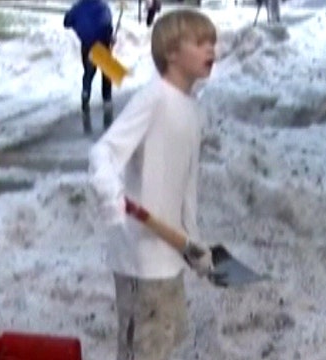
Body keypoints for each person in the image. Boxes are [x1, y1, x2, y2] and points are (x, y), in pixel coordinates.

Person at [88, 9, 216, 360]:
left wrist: (194, 242)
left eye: (213, 42)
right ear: (171, 53)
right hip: (140, 258)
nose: (211, 50)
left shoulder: (191, 109)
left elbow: (186, 186)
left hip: (170, 253)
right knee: (141, 349)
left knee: (163, 345)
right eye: (201, 42)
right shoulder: (153, 98)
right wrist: (111, 201)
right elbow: (104, 154)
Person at [64, 0, 114, 134]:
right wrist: (110, 38)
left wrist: (77, 25)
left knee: (89, 71)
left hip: (87, 43)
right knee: (107, 72)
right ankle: (107, 100)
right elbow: (108, 25)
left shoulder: (78, 7)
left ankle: (85, 95)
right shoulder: (103, 7)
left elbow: (66, 21)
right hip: (102, 43)